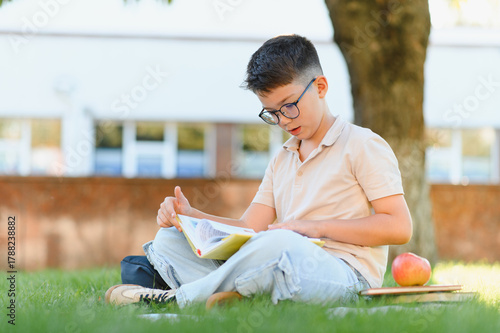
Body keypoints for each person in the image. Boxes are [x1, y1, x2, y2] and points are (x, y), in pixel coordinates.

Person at [105, 34, 412, 308]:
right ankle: (236, 297)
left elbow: (399, 226)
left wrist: (314, 228)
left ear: (320, 87)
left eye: (289, 105)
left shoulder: (362, 144)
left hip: (345, 276)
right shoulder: (283, 157)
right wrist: (190, 217)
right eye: (272, 113)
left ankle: (179, 300)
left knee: (280, 244)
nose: (283, 120)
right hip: (279, 257)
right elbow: (250, 227)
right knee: (168, 240)